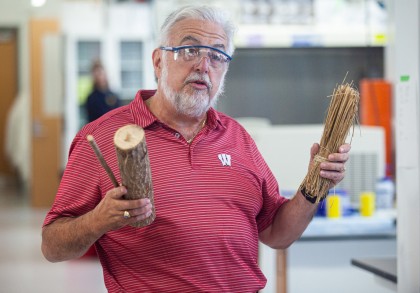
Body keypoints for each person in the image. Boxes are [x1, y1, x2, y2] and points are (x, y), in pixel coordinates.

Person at [41, 5, 351, 292]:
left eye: (218, 56)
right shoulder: (103, 136)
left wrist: (314, 186)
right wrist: (99, 219)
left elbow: (277, 234)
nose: (204, 66)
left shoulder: (238, 137)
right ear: (159, 60)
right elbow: (52, 246)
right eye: (190, 50)